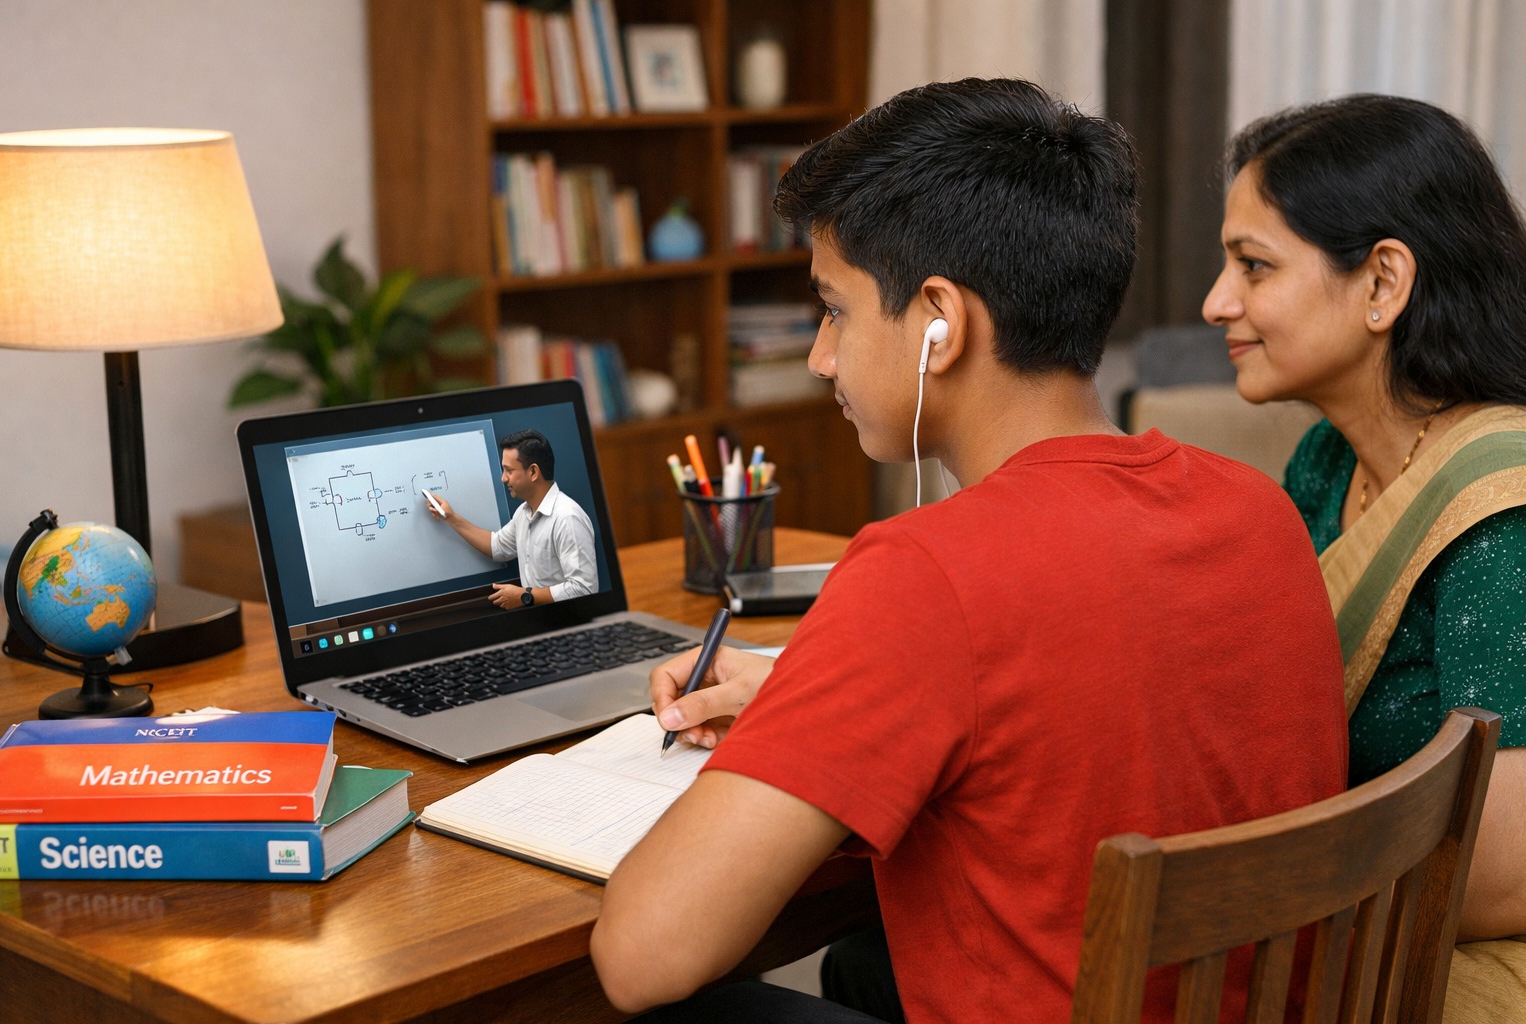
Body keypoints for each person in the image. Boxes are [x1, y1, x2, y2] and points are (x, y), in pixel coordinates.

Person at [588, 78, 1348, 1024]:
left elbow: (640, 956)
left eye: (835, 310)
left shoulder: (925, 574)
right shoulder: (1259, 510)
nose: (822, 357)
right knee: (858, 966)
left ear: (939, 323)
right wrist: (811, 699)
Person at [1201, 94, 1526, 1021]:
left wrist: (1250, 895)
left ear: (1384, 281)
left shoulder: (1505, 509)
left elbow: (1510, 873)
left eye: (1253, 265)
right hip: (1347, 920)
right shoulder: (1327, 464)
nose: (1217, 302)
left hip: (1461, 960)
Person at [428, 428, 597, 608]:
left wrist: (525, 595)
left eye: (509, 470)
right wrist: (451, 518)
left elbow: (584, 589)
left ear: (533, 472)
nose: (503, 478)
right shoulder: (524, 513)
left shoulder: (567, 518)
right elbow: (497, 547)